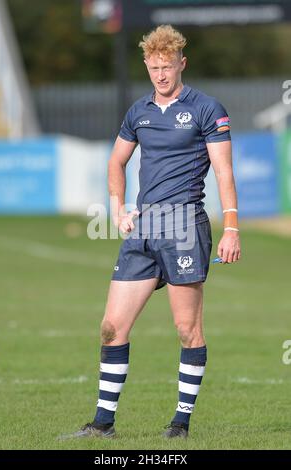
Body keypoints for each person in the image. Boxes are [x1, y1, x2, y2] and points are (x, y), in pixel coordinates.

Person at [66, 24, 241, 440]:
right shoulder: (138, 110)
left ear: (182, 63)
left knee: (186, 329)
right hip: (143, 229)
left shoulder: (206, 108)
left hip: (184, 227)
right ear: (146, 64)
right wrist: (118, 207)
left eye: (168, 66)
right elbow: (116, 162)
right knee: (112, 327)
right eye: (153, 67)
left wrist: (231, 228)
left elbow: (224, 171)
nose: (161, 74)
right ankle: (102, 424)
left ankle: (180, 422)